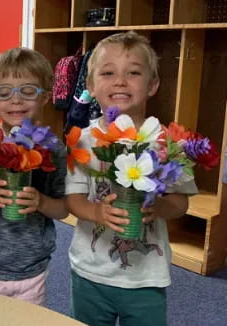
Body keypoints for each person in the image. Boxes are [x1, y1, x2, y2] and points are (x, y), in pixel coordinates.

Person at [66, 31, 197, 326]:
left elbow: (180, 202)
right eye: (108, 72)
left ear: (152, 85)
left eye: (134, 73)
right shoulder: (82, 140)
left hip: (145, 277)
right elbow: (72, 199)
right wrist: (96, 211)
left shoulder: (168, 141)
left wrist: (160, 208)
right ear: (90, 85)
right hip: (90, 271)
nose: (120, 81)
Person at [0, 48, 68, 306]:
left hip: (31, 270)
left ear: (45, 97)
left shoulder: (53, 149)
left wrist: (41, 202)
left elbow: (63, 208)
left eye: (28, 90)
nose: (16, 100)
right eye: (4, 92)